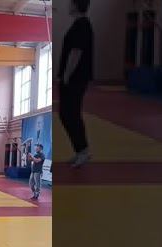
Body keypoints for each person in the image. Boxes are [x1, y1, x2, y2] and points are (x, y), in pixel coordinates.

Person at [58, 0, 93, 168]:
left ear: (76, 5)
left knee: (71, 113)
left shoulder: (82, 25)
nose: (68, 5)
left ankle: (83, 151)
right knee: (66, 114)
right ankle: (80, 150)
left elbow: (76, 52)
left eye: (70, 3)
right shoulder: (78, 24)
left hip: (75, 78)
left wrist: (67, 74)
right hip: (73, 78)